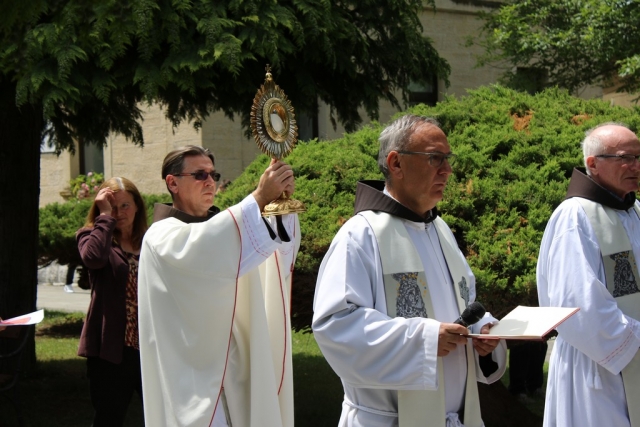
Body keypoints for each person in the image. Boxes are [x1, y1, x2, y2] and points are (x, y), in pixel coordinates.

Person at [312, 115, 507, 427]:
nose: (447, 169)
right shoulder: (360, 235)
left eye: (448, 159)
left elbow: (461, 304)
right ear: (396, 163)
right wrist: (425, 340)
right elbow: (335, 327)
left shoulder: (440, 229)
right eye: (435, 158)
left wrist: (482, 332)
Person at [138, 146, 300, 427]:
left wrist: (279, 206)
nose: (210, 181)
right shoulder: (160, 237)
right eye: (199, 174)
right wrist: (260, 197)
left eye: (213, 174)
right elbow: (206, 247)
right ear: (172, 182)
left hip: (234, 373)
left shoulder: (221, 230)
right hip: (193, 382)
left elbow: (264, 258)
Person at [537, 123, 640, 427]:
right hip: (596, 367)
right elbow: (575, 300)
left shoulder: (635, 212)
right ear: (593, 164)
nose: (636, 165)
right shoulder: (574, 216)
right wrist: (633, 338)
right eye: (626, 157)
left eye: (639, 156)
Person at [76, 176, 148, 427]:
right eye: (111, 207)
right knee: (109, 419)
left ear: (137, 206)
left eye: (125, 205)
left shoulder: (150, 241)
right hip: (110, 351)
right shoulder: (92, 237)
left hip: (149, 348)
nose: (118, 213)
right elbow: (93, 259)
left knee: (161, 416)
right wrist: (103, 217)